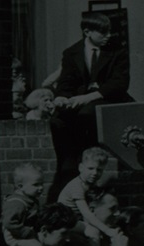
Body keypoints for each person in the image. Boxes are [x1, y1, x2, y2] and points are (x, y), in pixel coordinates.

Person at [50, 11, 132, 190]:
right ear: (87, 32)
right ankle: (68, 165)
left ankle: (88, 162)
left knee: (87, 114)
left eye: (109, 31)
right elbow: (66, 83)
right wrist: (62, 98)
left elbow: (119, 83)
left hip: (106, 100)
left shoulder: (117, 51)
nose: (108, 36)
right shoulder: (71, 53)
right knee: (57, 121)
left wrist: (87, 97)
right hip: (79, 105)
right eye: (103, 32)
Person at [62, 191, 129, 246]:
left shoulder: (109, 236)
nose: (118, 213)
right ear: (91, 210)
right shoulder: (77, 240)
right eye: (112, 209)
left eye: (118, 209)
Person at [58, 146, 116, 238]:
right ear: (81, 167)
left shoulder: (90, 184)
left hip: (77, 219)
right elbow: (86, 213)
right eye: (90, 168)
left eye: (99, 170)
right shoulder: (76, 186)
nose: (95, 173)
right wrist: (106, 230)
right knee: (93, 232)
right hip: (64, 220)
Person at [1, 162, 44, 246]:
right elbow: (9, 223)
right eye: (36, 185)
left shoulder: (31, 199)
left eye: (42, 184)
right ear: (20, 186)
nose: (41, 188)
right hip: (14, 235)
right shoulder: (16, 203)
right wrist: (28, 233)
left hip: (27, 231)